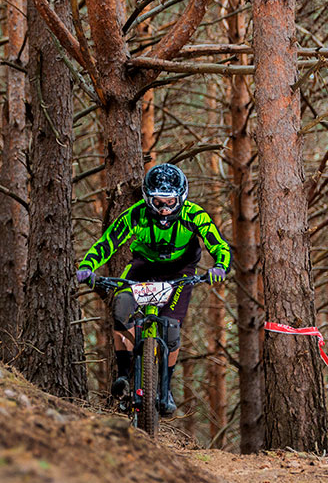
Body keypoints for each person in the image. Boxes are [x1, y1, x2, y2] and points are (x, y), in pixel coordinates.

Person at [75, 163, 231, 415]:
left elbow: (218, 244)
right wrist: (87, 267)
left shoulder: (195, 215)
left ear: (181, 198)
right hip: (143, 267)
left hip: (180, 272)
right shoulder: (135, 215)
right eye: (158, 202)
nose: (164, 208)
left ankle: (165, 387)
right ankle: (124, 375)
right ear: (148, 198)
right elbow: (107, 243)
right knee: (122, 307)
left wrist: (220, 266)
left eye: (170, 201)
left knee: (170, 328)